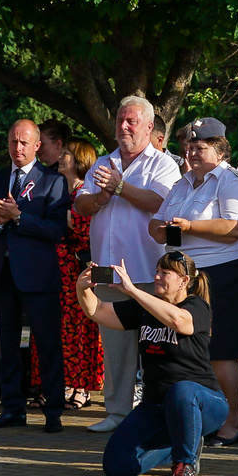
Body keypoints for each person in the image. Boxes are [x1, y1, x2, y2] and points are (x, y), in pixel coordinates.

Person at [75, 95, 181, 432]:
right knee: (116, 346)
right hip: (108, 270)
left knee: (155, 346)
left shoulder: (162, 163)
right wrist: (102, 196)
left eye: (131, 121)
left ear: (150, 127)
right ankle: (117, 413)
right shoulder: (102, 162)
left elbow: (161, 201)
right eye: (120, 120)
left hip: (148, 271)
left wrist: (119, 187)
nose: (123, 126)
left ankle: (156, 411)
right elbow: (81, 205)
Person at [151, 118, 238, 445]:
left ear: (220, 150)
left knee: (221, 350)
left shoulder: (231, 180)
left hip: (225, 272)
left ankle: (232, 424)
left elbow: (237, 227)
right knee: (193, 349)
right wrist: (162, 229)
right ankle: (202, 419)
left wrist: (190, 227)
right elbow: (157, 224)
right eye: (189, 146)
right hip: (190, 273)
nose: (192, 152)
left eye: (201, 147)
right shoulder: (182, 183)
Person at [82, 250, 220, 476]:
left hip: (204, 404)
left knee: (182, 391)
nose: (157, 277)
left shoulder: (197, 305)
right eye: (156, 271)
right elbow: (97, 311)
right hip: (156, 405)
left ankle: (184, 464)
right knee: (117, 467)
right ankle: (180, 443)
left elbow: (180, 322)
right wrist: (83, 288)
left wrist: (133, 291)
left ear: (184, 281)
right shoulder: (145, 308)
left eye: (165, 273)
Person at [0, 119, 74, 433]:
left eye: (24, 143)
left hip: (38, 274)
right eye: (13, 142)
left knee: (46, 343)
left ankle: (53, 410)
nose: (17, 148)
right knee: (7, 344)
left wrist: (19, 218)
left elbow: (57, 230)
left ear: (37, 146)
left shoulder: (52, 181)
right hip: (3, 273)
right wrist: (1, 223)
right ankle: (12, 408)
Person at [50, 136, 106, 413]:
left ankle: (82, 387)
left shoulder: (83, 193)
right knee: (67, 331)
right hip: (61, 274)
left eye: (68, 153)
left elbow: (86, 235)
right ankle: (70, 384)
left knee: (83, 329)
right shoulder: (63, 191)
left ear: (80, 160)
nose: (61, 157)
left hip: (79, 271)